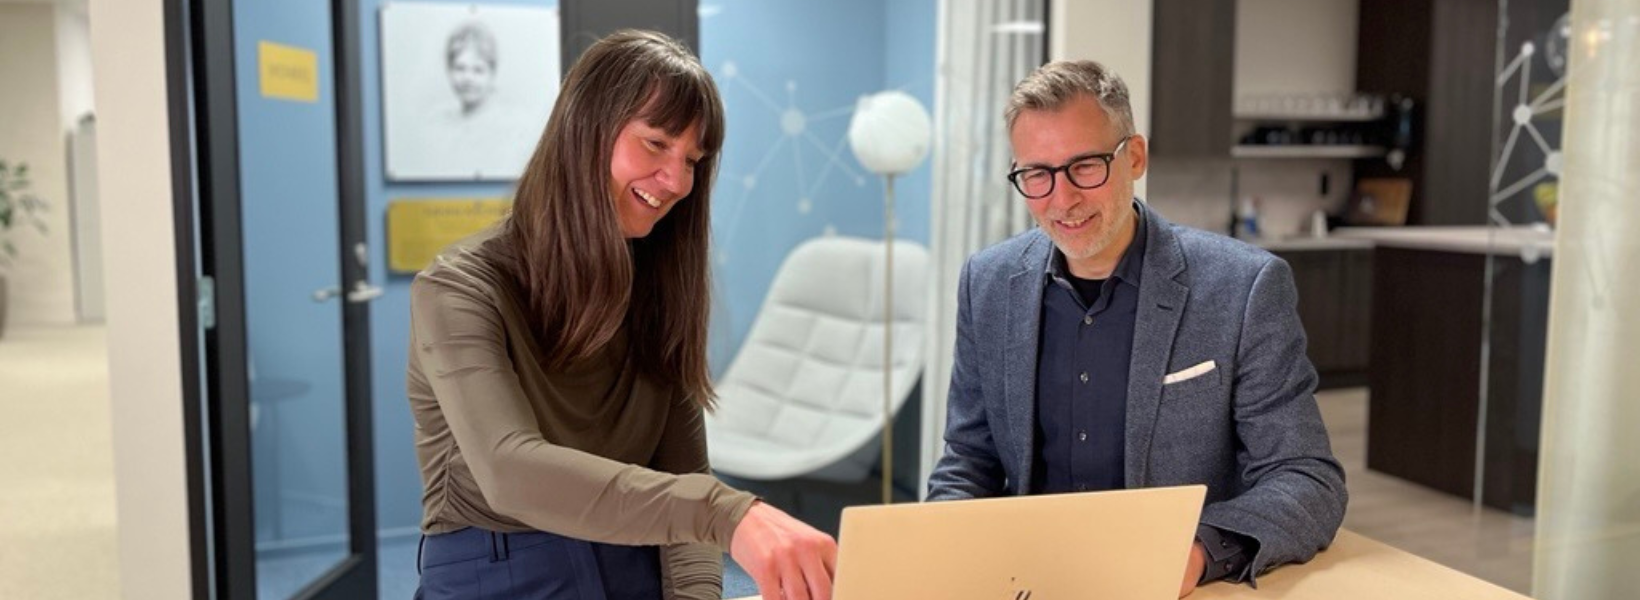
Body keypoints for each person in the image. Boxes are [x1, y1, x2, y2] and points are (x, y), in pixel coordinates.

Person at [408, 30, 836, 600]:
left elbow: (684, 486)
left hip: (634, 560)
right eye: (656, 144)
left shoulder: (661, 291)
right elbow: (511, 471)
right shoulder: (458, 289)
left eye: (692, 160)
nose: (678, 182)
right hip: (497, 569)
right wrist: (730, 515)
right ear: (583, 134)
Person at [925, 60, 1348, 597]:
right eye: (1037, 174)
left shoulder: (1244, 287)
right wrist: (937, 547)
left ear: (1136, 157)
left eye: (1085, 166)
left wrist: (1195, 555)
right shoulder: (986, 282)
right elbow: (969, 460)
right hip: (1026, 579)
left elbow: (1307, 478)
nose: (1062, 199)